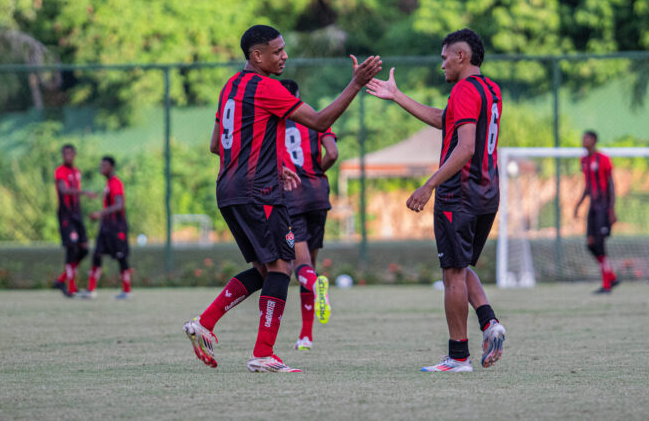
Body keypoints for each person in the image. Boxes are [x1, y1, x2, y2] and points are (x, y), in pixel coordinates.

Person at [183, 24, 381, 373]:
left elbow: (217, 145)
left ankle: (206, 323)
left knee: (264, 269)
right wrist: (356, 83)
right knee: (281, 266)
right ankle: (263, 352)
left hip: (228, 190)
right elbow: (320, 122)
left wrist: (267, 166)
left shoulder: (231, 86)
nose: (284, 56)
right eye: (277, 51)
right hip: (257, 193)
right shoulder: (265, 88)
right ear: (256, 56)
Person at [366, 28, 505, 373]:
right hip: (487, 193)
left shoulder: (462, 90)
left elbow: (466, 146)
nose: (441, 64)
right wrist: (397, 96)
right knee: (462, 265)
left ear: (462, 56)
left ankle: (458, 357)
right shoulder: (489, 89)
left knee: (453, 275)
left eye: (445, 57)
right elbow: (446, 121)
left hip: (458, 194)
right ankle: (489, 323)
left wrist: (428, 185)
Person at [280, 79, 337, 351]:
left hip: (292, 196)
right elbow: (333, 153)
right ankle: (306, 336)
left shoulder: (275, 121)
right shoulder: (316, 116)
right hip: (318, 194)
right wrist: (317, 170)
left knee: (300, 267)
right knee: (310, 266)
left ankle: (316, 287)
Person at [573, 130, 619, 294]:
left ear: (593, 140)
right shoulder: (584, 160)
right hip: (592, 207)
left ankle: (607, 284)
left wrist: (612, 209)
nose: (583, 140)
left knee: (599, 244)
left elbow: (611, 184)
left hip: (603, 207)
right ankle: (611, 277)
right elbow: (587, 185)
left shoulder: (603, 159)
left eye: (586, 138)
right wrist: (578, 204)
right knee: (591, 244)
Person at [81, 156, 132, 300]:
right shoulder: (108, 183)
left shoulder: (116, 183)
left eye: (104, 165)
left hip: (117, 227)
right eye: (101, 165)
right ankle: (91, 290)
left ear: (111, 167)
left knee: (121, 257)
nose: (101, 167)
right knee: (97, 254)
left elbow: (119, 204)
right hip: (106, 227)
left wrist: (100, 213)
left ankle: (127, 291)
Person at [53, 144, 96, 298]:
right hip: (66, 215)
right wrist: (84, 192)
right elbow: (64, 190)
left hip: (77, 214)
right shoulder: (60, 172)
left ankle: (61, 280)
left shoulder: (77, 172)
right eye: (65, 154)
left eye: (70, 154)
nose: (67, 156)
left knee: (84, 249)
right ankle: (71, 287)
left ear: (75, 155)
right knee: (71, 248)